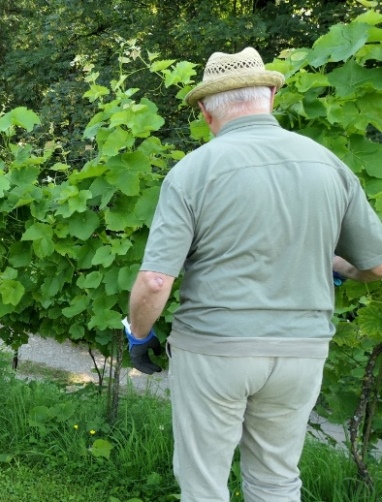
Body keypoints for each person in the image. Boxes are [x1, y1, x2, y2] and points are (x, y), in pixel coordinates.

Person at [125, 47, 382, 501]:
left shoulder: (193, 172)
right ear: (271, 96)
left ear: (206, 111)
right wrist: (337, 268)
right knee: (277, 480)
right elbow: (377, 265)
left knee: (205, 483)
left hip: (216, 348)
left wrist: (138, 335)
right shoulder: (328, 165)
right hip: (302, 350)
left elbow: (155, 281)